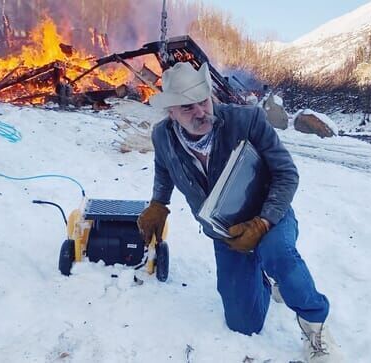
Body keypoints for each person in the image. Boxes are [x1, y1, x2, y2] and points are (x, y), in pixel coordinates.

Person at [137, 62, 342, 362]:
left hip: (271, 215)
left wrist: (262, 223)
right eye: (187, 108)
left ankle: (315, 326)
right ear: (171, 113)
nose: (199, 112)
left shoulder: (247, 120)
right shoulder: (162, 136)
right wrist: (159, 203)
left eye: (203, 101)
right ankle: (266, 280)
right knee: (243, 324)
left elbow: (286, 174)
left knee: (279, 254)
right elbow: (163, 170)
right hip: (226, 234)